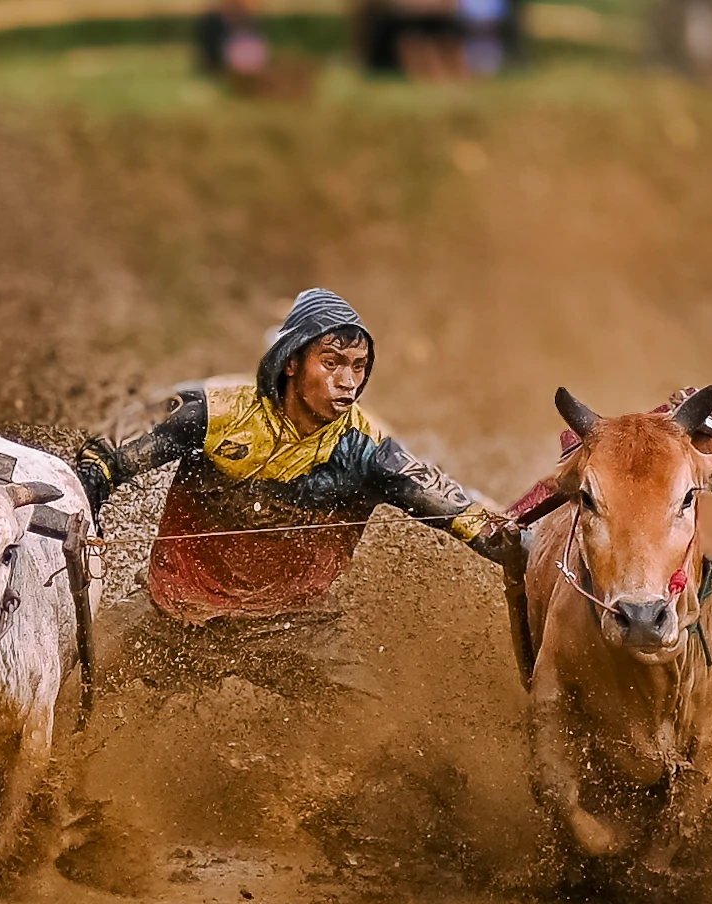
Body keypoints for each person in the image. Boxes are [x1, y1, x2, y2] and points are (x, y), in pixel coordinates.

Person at [76, 288, 522, 703]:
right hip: (171, 610)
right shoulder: (211, 410)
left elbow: (470, 519)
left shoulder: (371, 451)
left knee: (381, 738)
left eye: (359, 367)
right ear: (291, 361)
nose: (348, 382)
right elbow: (102, 460)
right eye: (332, 362)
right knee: (72, 678)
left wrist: (539, 545)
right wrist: (88, 520)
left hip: (295, 627)